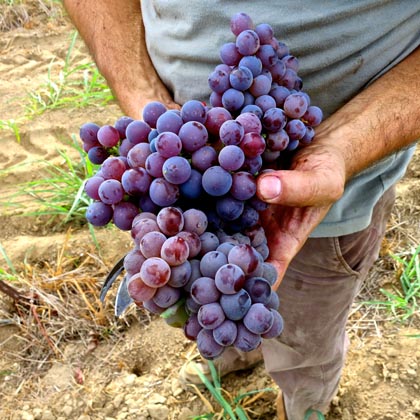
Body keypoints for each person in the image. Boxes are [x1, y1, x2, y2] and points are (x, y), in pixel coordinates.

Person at [63, 1, 420, 419]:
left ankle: (305, 404)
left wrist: (344, 146)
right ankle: (234, 355)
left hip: (336, 195)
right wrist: (142, 95)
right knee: (225, 309)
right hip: (185, 181)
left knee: (306, 344)